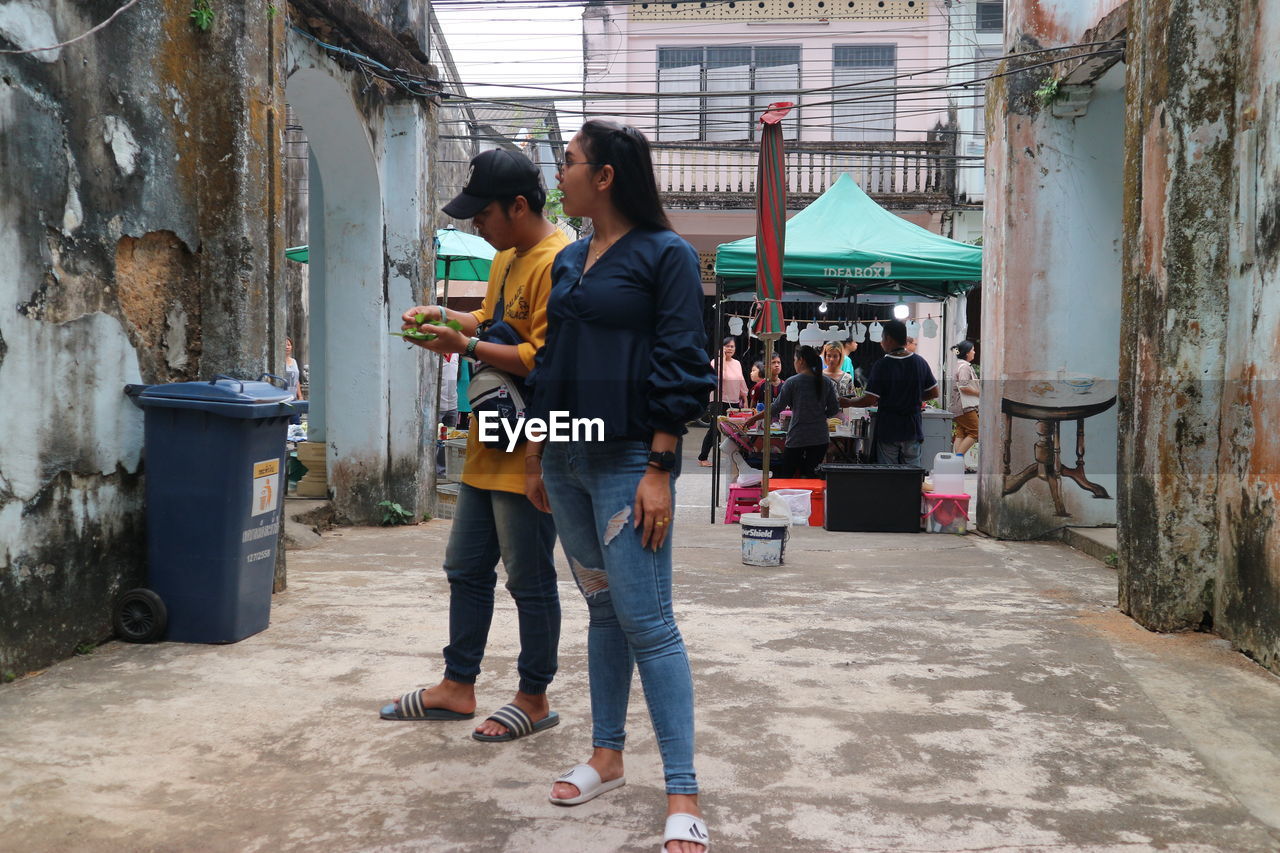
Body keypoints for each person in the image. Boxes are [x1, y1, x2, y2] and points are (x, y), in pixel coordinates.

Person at [523, 119, 714, 853]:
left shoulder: (666, 255)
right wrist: (537, 449)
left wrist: (661, 468)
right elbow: (551, 360)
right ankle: (607, 753)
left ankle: (683, 790)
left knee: (651, 622)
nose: (559, 174)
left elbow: (683, 360)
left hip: (630, 459)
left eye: (568, 163)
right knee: (604, 610)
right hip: (567, 461)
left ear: (603, 177)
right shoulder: (570, 260)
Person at [384, 148, 569, 744]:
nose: (475, 226)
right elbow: (494, 326)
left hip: (535, 442)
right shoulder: (505, 258)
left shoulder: (560, 260)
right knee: (465, 568)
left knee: (529, 578)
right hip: (491, 438)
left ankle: (534, 696)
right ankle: (458, 685)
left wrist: (461, 347)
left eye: (482, 215)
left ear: (518, 206)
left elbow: (544, 360)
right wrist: (446, 318)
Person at [843, 319, 939, 466]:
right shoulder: (920, 362)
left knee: (890, 472)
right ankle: (911, 489)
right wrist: (913, 398)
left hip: (889, 428)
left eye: (882, 338)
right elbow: (934, 392)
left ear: (887, 339)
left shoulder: (882, 365)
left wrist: (848, 402)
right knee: (913, 473)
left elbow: (869, 399)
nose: (881, 342)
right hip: (912, 427)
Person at [741, 346, 839, 478]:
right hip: (820, 437)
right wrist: (819, 415)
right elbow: (834, 409)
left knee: (787, 475)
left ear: (801, 361)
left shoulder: (792, 382)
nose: (794, 363)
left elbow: (775, 408)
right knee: (812, 477)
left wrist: (753, 419)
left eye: (794, 359)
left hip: (798, 437)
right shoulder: (826, 382)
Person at [698, 336, 748, 467]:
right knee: (714, 429)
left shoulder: (737, 363)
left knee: (737, 430)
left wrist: (745, 397)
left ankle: (738, 458)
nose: (729, 349)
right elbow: (720, 377)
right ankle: (703, 457)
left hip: (734, 401)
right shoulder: (715, 362)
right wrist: (723, 360)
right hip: (718, 401)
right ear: (721, 347)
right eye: (727, 346)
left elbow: (741, 380)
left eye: (732, 346)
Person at [950, 340, 980, 466]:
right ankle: (958, 459)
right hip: (965, 407)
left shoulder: (959, 365)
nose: (974, 352)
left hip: (957, 407)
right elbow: (963, 386)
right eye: (972, 349)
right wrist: (979, 393)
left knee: (961, 433)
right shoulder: (965, 367)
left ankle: (958, 465)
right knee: (976, 431)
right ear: (967, 353)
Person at [284, 337, 305, 425]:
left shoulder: (294, 361)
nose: (287, 347)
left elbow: (296, 380)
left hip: (293, 398)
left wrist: (300, 396)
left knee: (296, 424)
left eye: (289, 345)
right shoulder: (278, 362)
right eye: (285, 345)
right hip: (283, 398)